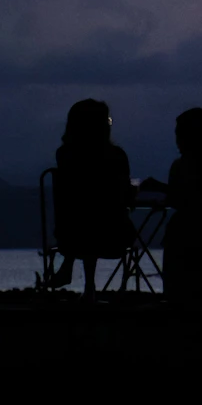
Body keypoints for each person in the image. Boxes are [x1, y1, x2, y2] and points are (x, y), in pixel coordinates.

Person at [139, 107, 202, 298]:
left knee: (180, 225)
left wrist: (161, 188)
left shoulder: (183, 166)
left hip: (196, 236)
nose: (177, 140)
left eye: (179, 134)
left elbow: (187, 201)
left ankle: (175, 294)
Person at [48, 99, 135, 296]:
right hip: (114, 235)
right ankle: (90, 286)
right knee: (95, 216)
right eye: (108, 121)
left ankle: (77, 276)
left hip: (70, 236)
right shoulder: (116, 156)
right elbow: (123, 196)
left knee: (85, 215)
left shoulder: (65, 155)